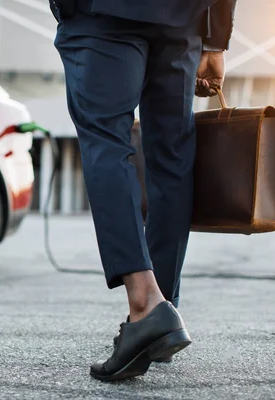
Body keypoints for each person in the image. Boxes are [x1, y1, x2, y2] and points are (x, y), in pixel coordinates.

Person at [50, 0, 237, 381]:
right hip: (182, 18)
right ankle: (162, 312)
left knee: (106, 141)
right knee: (172, 159)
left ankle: (147, 306)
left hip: (102, 14)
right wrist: (216, 39)